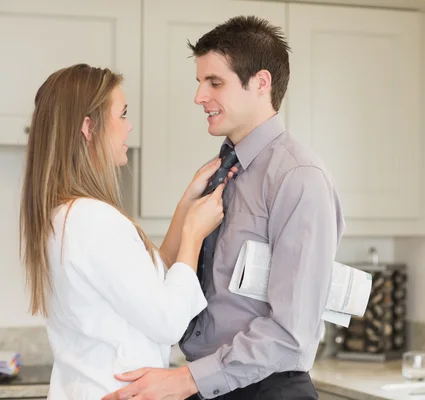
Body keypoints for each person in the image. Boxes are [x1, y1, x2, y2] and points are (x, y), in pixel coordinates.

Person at [103, 15, 345, 400]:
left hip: (264, 390)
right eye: (199, 83)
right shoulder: (221, 171)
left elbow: (290, 333)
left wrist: (185, 380)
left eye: (214, 82)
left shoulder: (299, 178)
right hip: (209, 386)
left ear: (261, 83)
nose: (199, 96)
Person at [19, 63, 234, 399]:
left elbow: (148, 286)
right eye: (122, 114)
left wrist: (184, 207)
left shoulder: (63, 216)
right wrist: (193, 234)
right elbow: (168, 320)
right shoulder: (92, 219)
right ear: (89, 127)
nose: (129, 126)